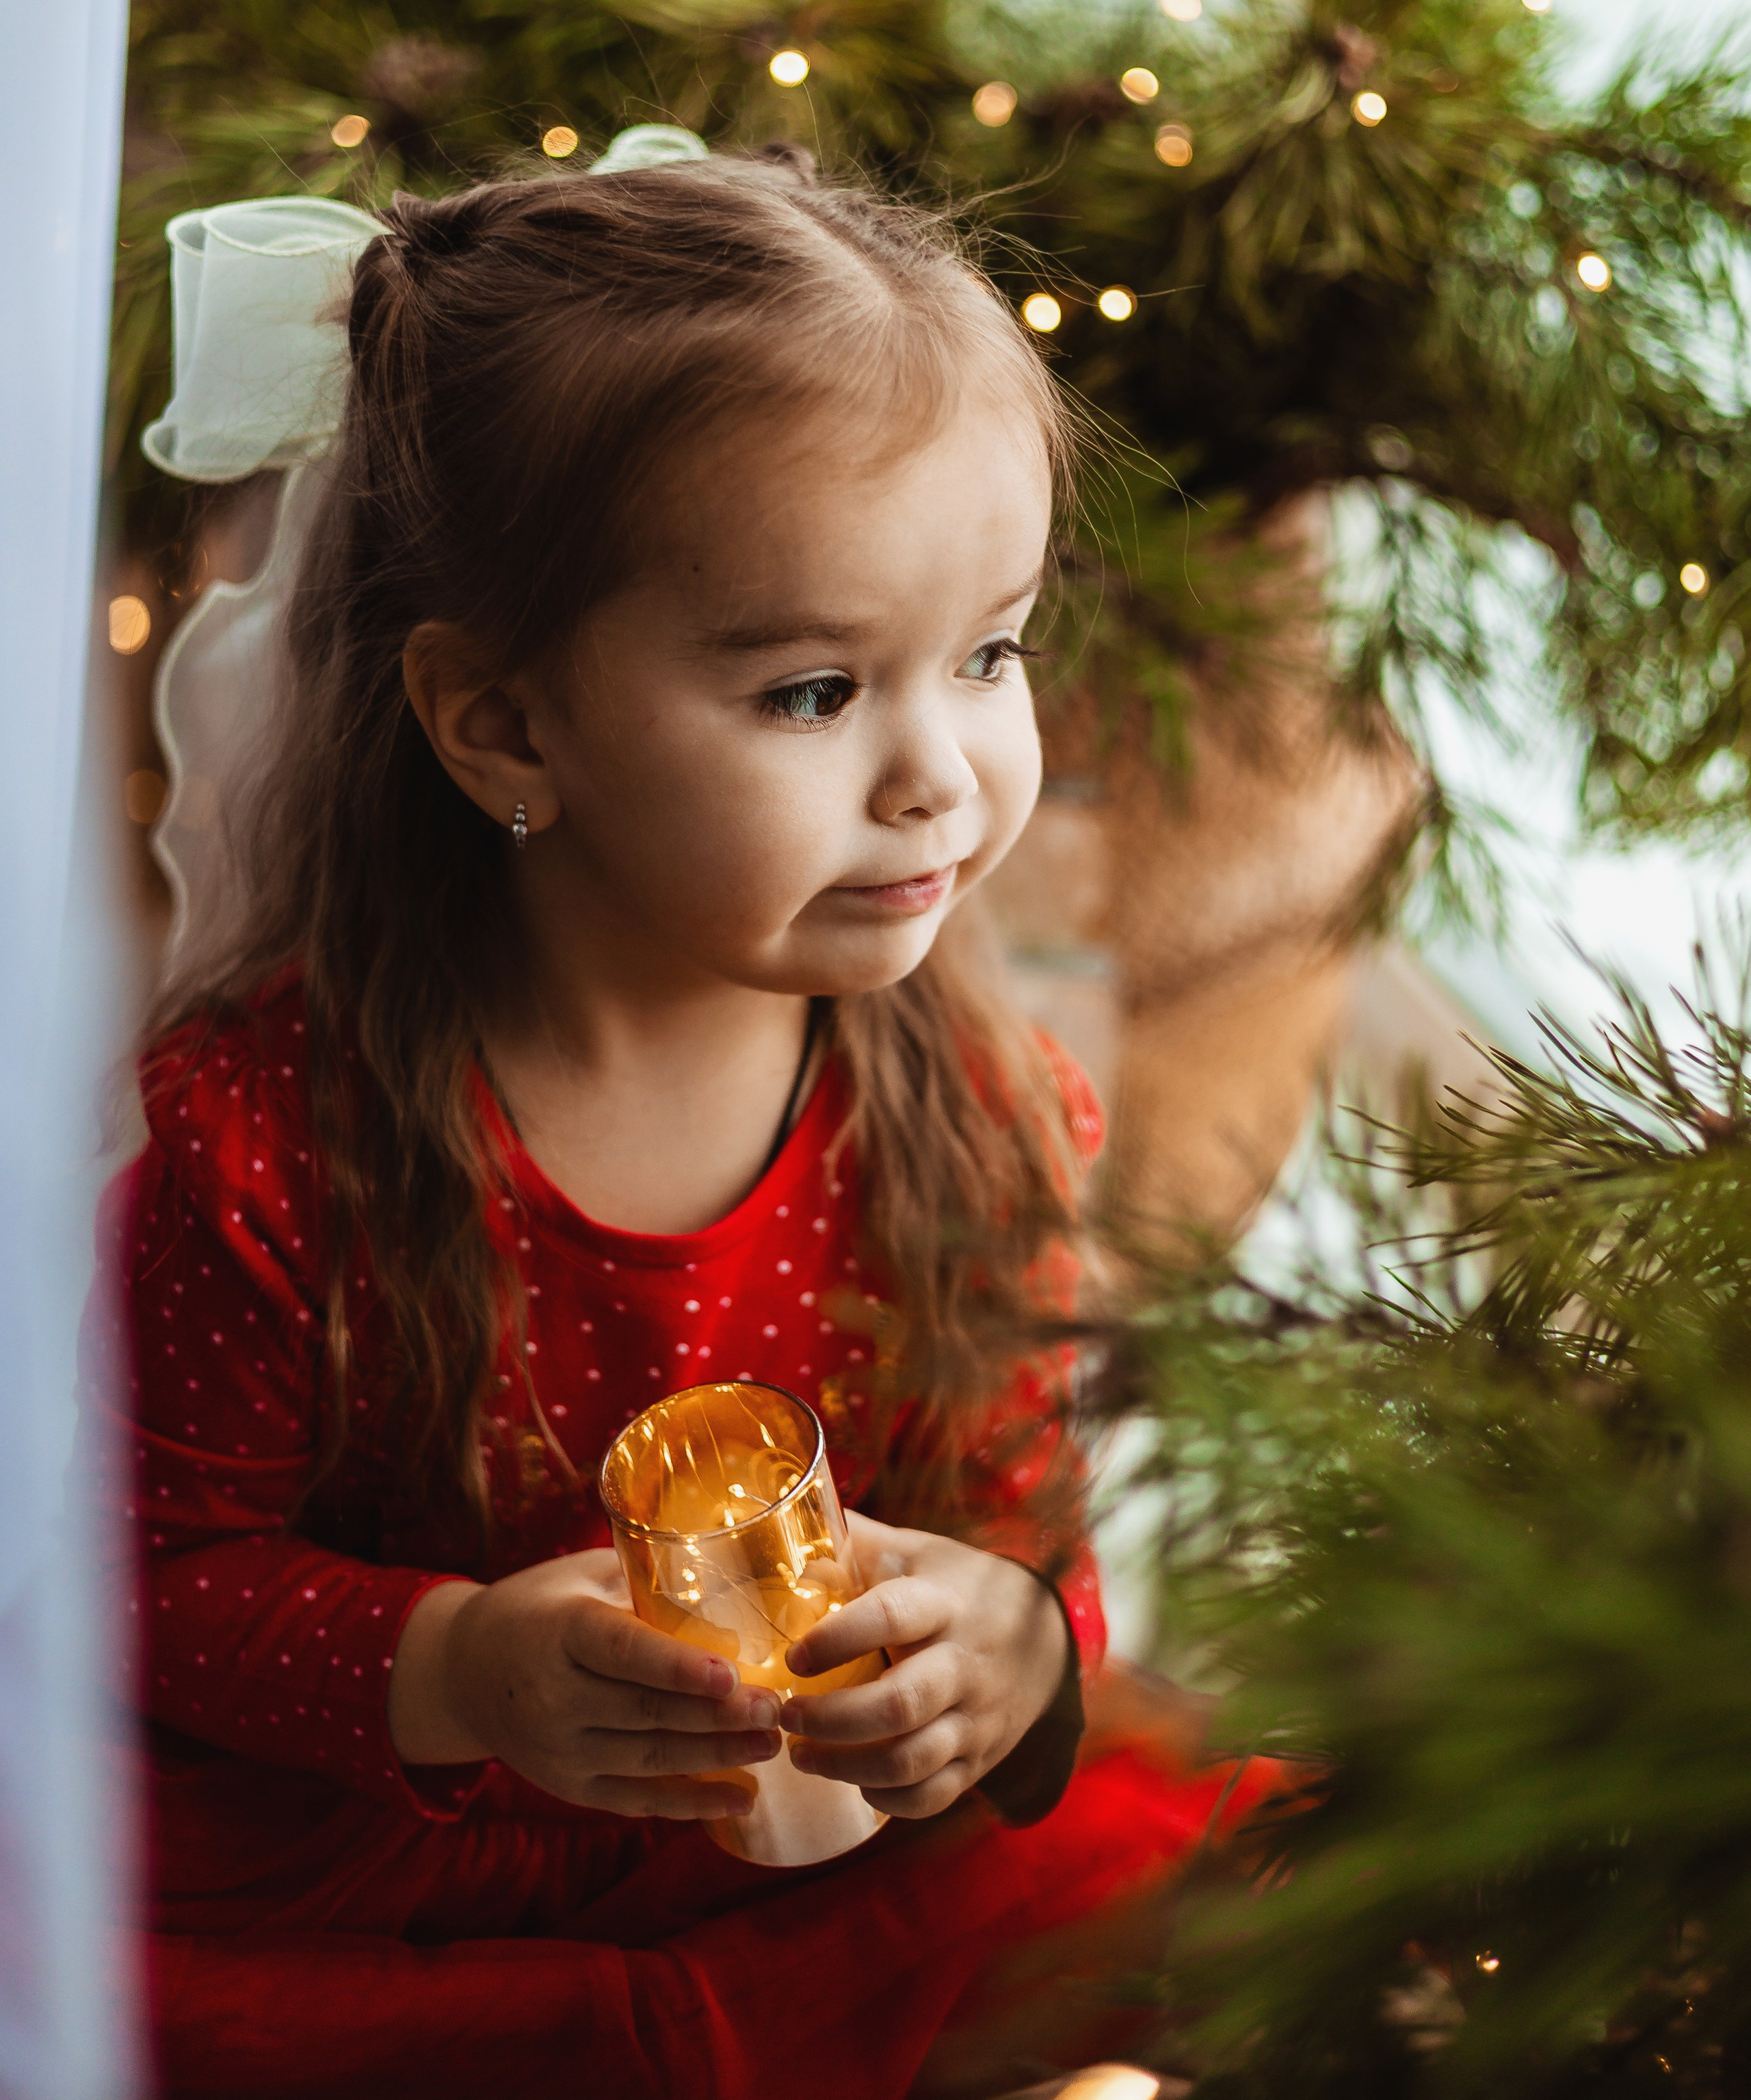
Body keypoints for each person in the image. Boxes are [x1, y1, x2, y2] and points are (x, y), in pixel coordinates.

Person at [90, 135, 1271, 2100]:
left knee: (1229, 1903)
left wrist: (1017, 1653)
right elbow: (151, 1586)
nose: (943, 780)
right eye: (816, 692)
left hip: (813, 1875)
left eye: (989, 654)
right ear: (506, 725)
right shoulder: (261, 1137)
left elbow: (1015, 1522)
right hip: (398, 1895)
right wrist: (458, 1667)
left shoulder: (968, 1107)